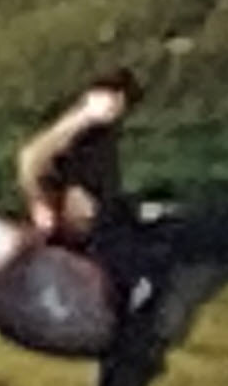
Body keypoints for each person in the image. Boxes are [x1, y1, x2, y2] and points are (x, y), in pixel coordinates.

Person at [17, 67, 153, 309]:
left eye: (121, 102)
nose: (118, 108)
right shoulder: (74, 126)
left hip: (94, 213)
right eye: (114, 99)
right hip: (73, 220)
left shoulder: (103, 134)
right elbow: (31, 158)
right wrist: (39, 201)